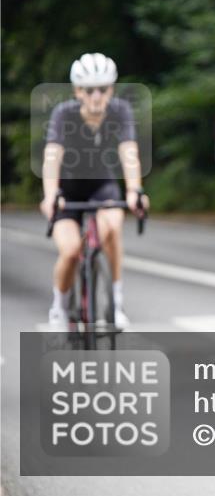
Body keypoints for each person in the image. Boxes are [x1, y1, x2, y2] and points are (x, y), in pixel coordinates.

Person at [40, 53, 148, 330]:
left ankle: (116, 300)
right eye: (89, 90)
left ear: (111, 89)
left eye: (103, 89)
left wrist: (135, 189)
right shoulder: (63, 113)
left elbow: (129, 153)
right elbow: (52, 156)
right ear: (78, 91)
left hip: (102, 184)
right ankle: (59, 307)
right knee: (71, 249)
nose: (96, 96)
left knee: (112, 225)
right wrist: (51, 194)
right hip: (68, 189)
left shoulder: (120, 111)